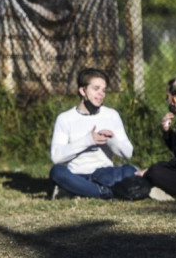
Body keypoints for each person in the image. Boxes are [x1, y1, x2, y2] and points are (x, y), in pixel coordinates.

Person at [49, 68, 137, 199]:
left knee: (131, 171)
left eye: (103, 90)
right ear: (83, 91)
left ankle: (83, 191)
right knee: (56, 172)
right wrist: (88, 140)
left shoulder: (112, 115)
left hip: (105, 174)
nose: (101, 94)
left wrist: (112, 140)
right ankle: (106, 192)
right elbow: (56, 157)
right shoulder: (65, 118)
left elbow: (128, 153)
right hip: (77, 174)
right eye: (96, 89)